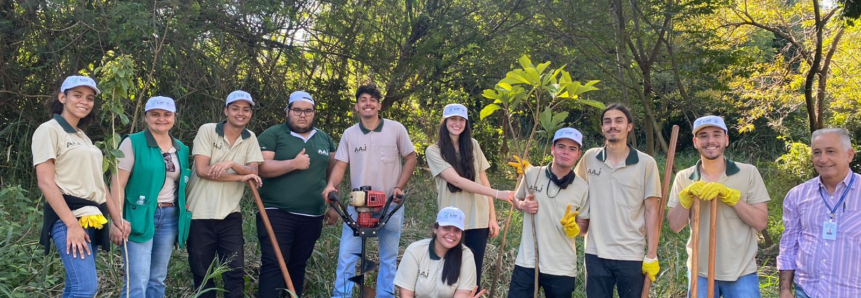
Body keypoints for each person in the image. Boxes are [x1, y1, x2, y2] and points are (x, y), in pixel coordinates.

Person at [33, 75, 127, 297]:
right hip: (70, 217)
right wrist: (72, 225)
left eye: (90, 97)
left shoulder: (83, 137)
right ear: (62, 97)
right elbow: (45, 181)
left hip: (93, 217)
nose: (84, 101)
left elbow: (99, 183)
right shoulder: (49, 129)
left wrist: (117, 218)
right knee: (85, 288)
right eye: (77, 95)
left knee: (74, 287)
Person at [323, 84, 418, 298]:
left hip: (390, 205)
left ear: (379, 105)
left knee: (389, 257)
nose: (368, 103)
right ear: (357, 106)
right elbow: (340, 165)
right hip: (358, 206)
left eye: (372, 99)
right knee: (347, 255)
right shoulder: (349, 134)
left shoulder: (396, 129)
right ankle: (342, 295)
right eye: (363, 99)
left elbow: (410, 158)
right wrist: (331, 185)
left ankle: (385, 295)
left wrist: (399, 187)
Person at [666, 115, 770, 297]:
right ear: (695, 142)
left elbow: (761, 223)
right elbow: (675, 226)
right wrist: (685, 199)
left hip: (741, 272)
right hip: (700, 272)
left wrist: (732, 198)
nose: (710, 140)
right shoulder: (684, 177)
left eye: (716, 134)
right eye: (703, 135)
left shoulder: (748, 172)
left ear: (726, 140)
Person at [256, 91, 339, 297]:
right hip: (276, 212)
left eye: (308, 111)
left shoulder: (325, 139)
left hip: (312, 215)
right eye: (297, 110)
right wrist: (293, 164)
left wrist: (334, 204)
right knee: (274, 264)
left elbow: (333, 174)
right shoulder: (273, 134)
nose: (302, 115)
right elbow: (262, 168)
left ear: (314, 113)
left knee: (297, 266)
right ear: (287, 111)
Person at [573, 103, 661, 298]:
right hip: (595, 252)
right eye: (607, 121)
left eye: (619, 121)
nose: (613, 125)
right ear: (602, 128)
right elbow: (571, 189)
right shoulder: (590, 158)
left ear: (629, 126)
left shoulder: (646, 163)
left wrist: (652, 254)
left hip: (631, 254)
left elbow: (651, 211)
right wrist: (535, 174)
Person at [110, 96, 192, 298]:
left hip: (170, 216)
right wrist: (117, 218)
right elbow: (117, 183)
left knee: (157, 279)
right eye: (155, 114)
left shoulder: (181, 148)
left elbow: (181, 183)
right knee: (137, 280)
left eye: (167, 114)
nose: (161, 119)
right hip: (139, 215)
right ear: (146, 117)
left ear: (174, 117)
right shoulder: (132, 143)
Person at [424, 103, 513, 289]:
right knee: (448, 272)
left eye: (461, 120)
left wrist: (492, 217)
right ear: (444, 121)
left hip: (477, 219)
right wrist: (498, 194)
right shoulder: (433, 150)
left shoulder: (473, 145)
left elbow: (483, 179)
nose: (457, 123)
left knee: (473, 274)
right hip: (451, 221)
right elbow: (456, 181)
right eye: (453, 119)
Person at [185, 90, 264, 297]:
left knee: (235, 271)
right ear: (226, 110)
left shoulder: (250, 138)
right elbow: (202, 170)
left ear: (250, 114)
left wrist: (232, 164)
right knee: (203, 274)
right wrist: (240, 176)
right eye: (235, 108)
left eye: (246, 110)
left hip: (230, 214)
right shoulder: (208, 130)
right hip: (199, 213)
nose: (241, 113)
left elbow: (254, 172)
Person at [778, 128, 861, 298]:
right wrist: (785, 290)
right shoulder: (797, 195)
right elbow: (789, 245)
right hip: (807, 291)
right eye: (817, 152)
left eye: (831, 151)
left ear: (850, 155)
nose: (823, 159)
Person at [507, 127, 590, 297]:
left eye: (572, 149)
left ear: (578, 154)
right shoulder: (532, 174)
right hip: (528, 261)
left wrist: (574, 228)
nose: (566, 152)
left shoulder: (583, 187)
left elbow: (584, 226)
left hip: (562, 267)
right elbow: (515, 199)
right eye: (561, 146)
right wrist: (522, 205)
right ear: (552, 149)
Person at [394, 207, 485, 298]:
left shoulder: (466, 255)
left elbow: (463, 293)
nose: (451, 234)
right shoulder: (415, 250)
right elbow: (406, 294)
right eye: (446, 228)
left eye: (457, 230)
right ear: (435, 229)